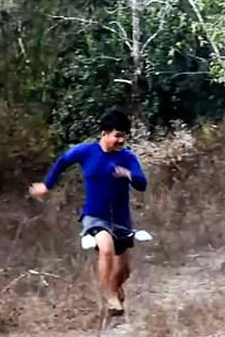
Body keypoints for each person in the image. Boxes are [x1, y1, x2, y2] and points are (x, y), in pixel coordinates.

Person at [29, 108, 147, 316]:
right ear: (104, 133)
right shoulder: (86, 152)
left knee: (124, 270)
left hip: (120, 219)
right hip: (94, 215)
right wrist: (47, 185)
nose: (121, 140)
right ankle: (110, 297)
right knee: (105, 248)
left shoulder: (127, 157)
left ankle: (115, 287)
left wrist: (128, 174)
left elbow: (142, 184)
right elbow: (63, 161)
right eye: (117, 135)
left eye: (124, 136)